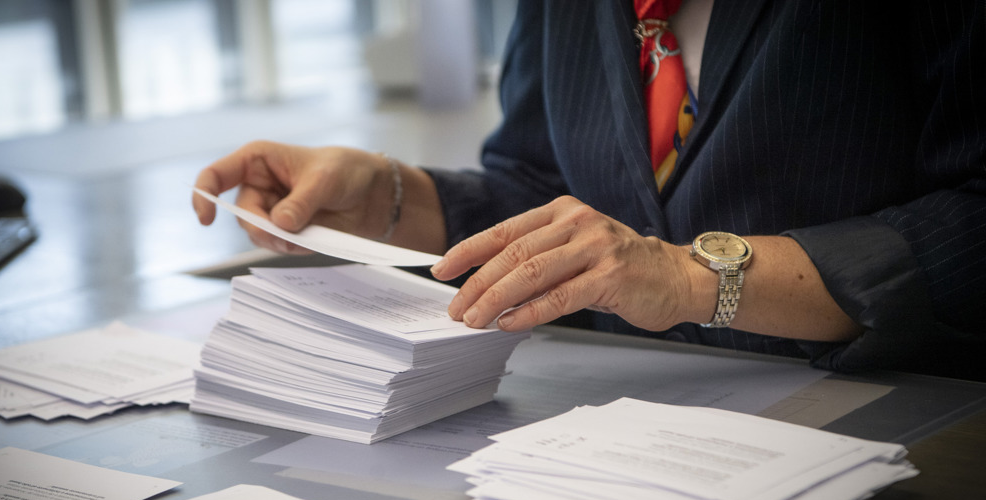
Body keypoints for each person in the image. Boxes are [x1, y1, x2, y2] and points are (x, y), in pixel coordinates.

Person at [192, 0, 986, 381]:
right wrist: (393, 199)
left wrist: (689, 278)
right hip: (623, 427)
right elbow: (546, 188)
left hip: (897, 422)